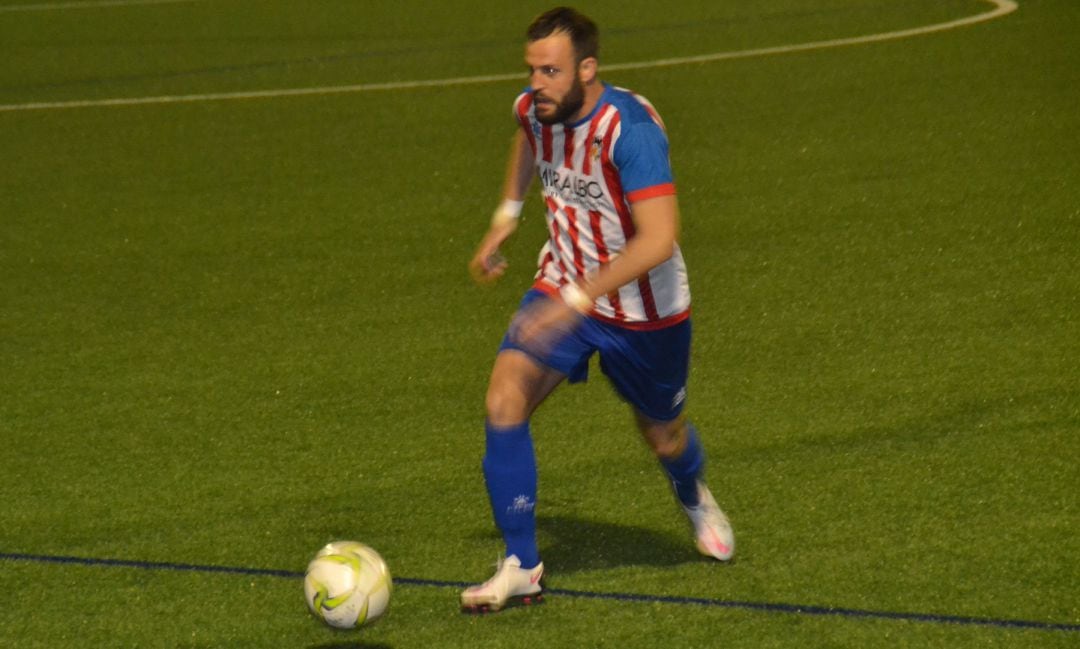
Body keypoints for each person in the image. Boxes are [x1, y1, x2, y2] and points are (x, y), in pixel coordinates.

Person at [461, 6, 734, 614]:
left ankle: (691, 493)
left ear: (588, 68)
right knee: (504, 398)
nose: (536, 84)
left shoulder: (628, 130)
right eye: (532, 69)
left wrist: (579, 302)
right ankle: (523, 565)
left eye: (550, 71)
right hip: (564, 282)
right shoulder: (538, 110)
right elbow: (527, 140)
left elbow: (658, 238)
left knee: (661, 433)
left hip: (646, 310)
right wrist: (505, 219)